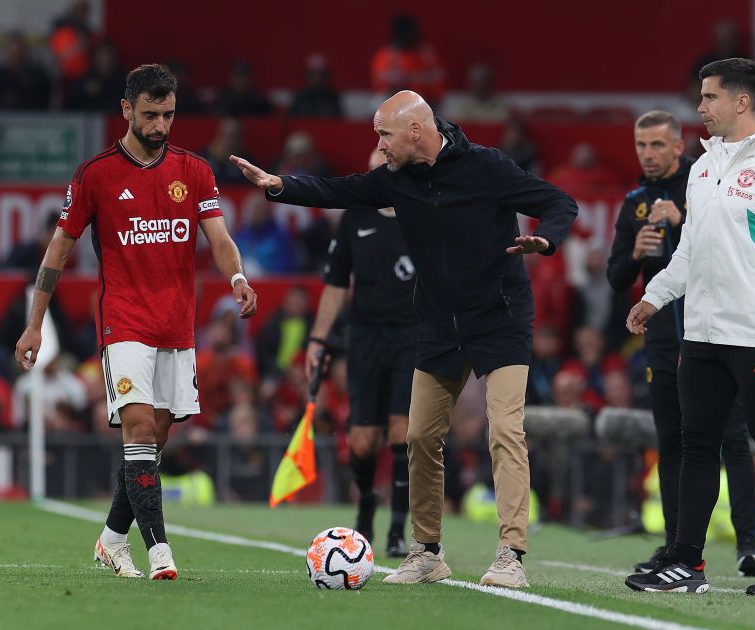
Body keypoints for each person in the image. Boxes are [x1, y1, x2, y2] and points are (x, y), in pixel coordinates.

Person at [231, 90, 577, 588]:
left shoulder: (487, 167)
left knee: (504, 430)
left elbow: (558, 202)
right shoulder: (396, 181)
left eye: (384, 135)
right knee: (418, 436)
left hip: (498, 318)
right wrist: (278, 185)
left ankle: (510, 555)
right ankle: (427, 553)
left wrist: (546, 239)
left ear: (416, 130)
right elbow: (340, 190)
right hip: (438, 324)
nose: (379, 145)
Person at [15, 64, 257, 581]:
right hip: (123, 324)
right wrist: (35, 323)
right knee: (140, 428)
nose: (161, 125)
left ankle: (109, 540)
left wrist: (237, 278)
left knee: (153, 441)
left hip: (177, 327)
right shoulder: (95, 174)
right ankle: (160, 551)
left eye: (168, 114)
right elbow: (58, 250)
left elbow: (218, 238)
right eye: (150, 114)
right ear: (126, 109)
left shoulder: (193, 170)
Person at [625, 58, 755, 597]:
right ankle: (687, 562)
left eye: (708, 97)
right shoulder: (702, 167)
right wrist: (653, 297)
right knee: (697, 446)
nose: (699, 107)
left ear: (741, 102)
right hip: (702, 336)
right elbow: (690, 251)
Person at [607, 110, 755, 577]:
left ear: (679, 146)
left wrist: (682, 220)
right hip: (661, 343)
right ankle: (677, 546)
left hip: (713, 333)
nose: (648, 154)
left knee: (731, 438)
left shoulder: (704, 184)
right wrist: (635, 253)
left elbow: (728, 255)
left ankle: (747, 546)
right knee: (671, 441)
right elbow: (616, 280)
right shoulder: (634, 203)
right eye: (641, 145)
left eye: (657, 145)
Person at [303, 148, 418, 557]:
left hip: (413, 335)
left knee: (405, 432)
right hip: (366, 336)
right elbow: (336, 283)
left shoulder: (421, 215)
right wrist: (318, 340)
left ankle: (399, 531)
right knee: (363, 441)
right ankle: (367, 503)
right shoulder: (355, 217)